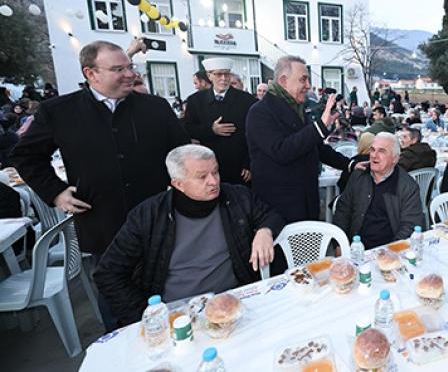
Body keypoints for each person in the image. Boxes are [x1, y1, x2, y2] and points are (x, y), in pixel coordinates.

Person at [10, 40, 189, 256]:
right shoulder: (59, 111)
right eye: (118, 69)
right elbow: (26, 156)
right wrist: (56, 192)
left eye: (130, 67)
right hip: (102, 226)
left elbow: (183, 154)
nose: (130, 74)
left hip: (156, 220)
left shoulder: (156, 107)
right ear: (91, 74)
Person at [93, 145, 283, 327]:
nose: (213, 181)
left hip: (234, 302)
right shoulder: (149, 216)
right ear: (178, 184)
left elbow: (271, 215)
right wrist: (147, 317)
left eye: (215, 172)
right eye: (202, 177)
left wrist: (265, 230)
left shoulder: (236, 197)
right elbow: (108, 273)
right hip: (178, 315)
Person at [246, 55, 354, 225]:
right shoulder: (260, 112)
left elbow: (316, 147)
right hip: (279, 208)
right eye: (303, 79)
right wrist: (320, 127)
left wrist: (350, 164)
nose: (308, 85)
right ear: (283, 81)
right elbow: (281, 151)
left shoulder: (297, 107)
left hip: (306, 201)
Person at [333, 133, 424, 248]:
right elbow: (343, 211)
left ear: (395, 158)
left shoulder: (407, 186)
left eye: (382, 151)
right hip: (356, 248)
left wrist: (391, 251)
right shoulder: (359, 176)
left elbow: (410, 226)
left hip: (390, 248)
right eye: (372, 150)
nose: (374, 156)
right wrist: (339, 244)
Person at [183, 58, 257, 185]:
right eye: (218, 74)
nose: (223, 78)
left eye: (226, 74)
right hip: (208, 167)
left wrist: (249, 163)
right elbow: (188, 129)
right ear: (209, 76)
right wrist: (211, 129)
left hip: (239, 168)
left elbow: (255, 135)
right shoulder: (195, 101)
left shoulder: (247, 100)